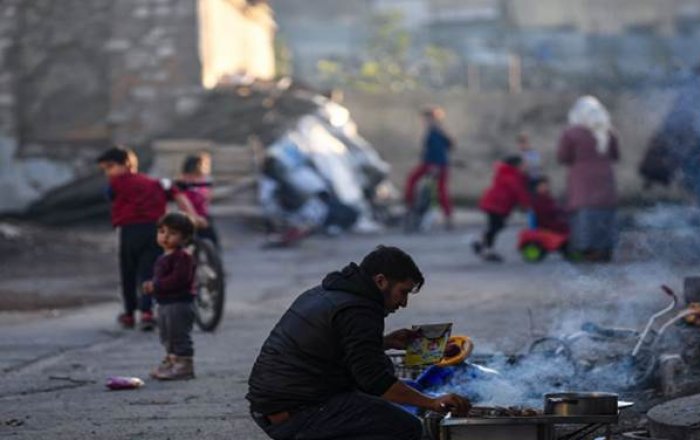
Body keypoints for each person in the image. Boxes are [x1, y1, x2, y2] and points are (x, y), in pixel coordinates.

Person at [246, 246, 471, 440]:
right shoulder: (360, 311)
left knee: (379, 378)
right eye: (402, 292)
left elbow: (330, 348)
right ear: (381, 281)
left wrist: (385, 342)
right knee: (407, 427)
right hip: (295, 413)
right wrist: (432, 402)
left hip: (273, 405)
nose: (403, 303)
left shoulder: (330, 291)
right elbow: (376, 382)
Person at [96, 146, 204, 330]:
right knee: (149, 271)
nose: (108, 172)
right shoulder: (157, 182)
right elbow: (177, 194)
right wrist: (193, 216)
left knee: (128, 272)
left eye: (110, 167)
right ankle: (147, 312)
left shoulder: (116, 183)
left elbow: (109, 196)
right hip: (154, 231)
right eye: (105, 169)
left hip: (129, 232)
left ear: (127, 165)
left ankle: (129, 314)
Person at [557, 96, 620, 262]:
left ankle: (586, 249)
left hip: (582, 181)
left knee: (584, 213)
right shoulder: (608, 131)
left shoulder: (572, 133)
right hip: (606, 179)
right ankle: (605, 248)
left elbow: (563, 157)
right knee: (605, 213)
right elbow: (615, 155)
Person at [142, 212, 197, 380]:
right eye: (162, 231)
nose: (165, 237)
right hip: (165, 303)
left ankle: (184, 364)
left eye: (172, 233)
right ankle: (172, 361)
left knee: (178, 334)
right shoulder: (163, 256)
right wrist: (152, 284)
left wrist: (156, 285)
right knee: (167, 334)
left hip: (179, 304)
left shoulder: (183, 257)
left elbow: (178, 279)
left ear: (184, 238)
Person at [471, 156, 531, 262]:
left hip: (497, 204)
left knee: (497, 226)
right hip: (495, 205)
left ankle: (480, 243)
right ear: (516, 166)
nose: (525, 167)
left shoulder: (511, 174)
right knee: (495, 227)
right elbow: (519, 192)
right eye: (523, 165)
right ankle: (487, 250)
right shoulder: (511, 176)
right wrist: (526, 205)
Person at [404, 106, 455, 229]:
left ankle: (410, 208)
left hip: (434, 164)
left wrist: (435, 166)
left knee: (414, 181)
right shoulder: (438, 130)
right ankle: (447, 217)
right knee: (440, 190)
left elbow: (438, 150)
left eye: (427, 118)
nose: (424, 121)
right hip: (436, 164)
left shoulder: (435, 131)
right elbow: (449, 145)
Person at [178, 152, 220, 248]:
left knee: (212, 244)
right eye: (205, 164)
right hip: (188, 218)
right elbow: (183, 201)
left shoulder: (205, 180)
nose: (207, 167)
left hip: (203, 216)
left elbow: (207, 198)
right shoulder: (184, 181)